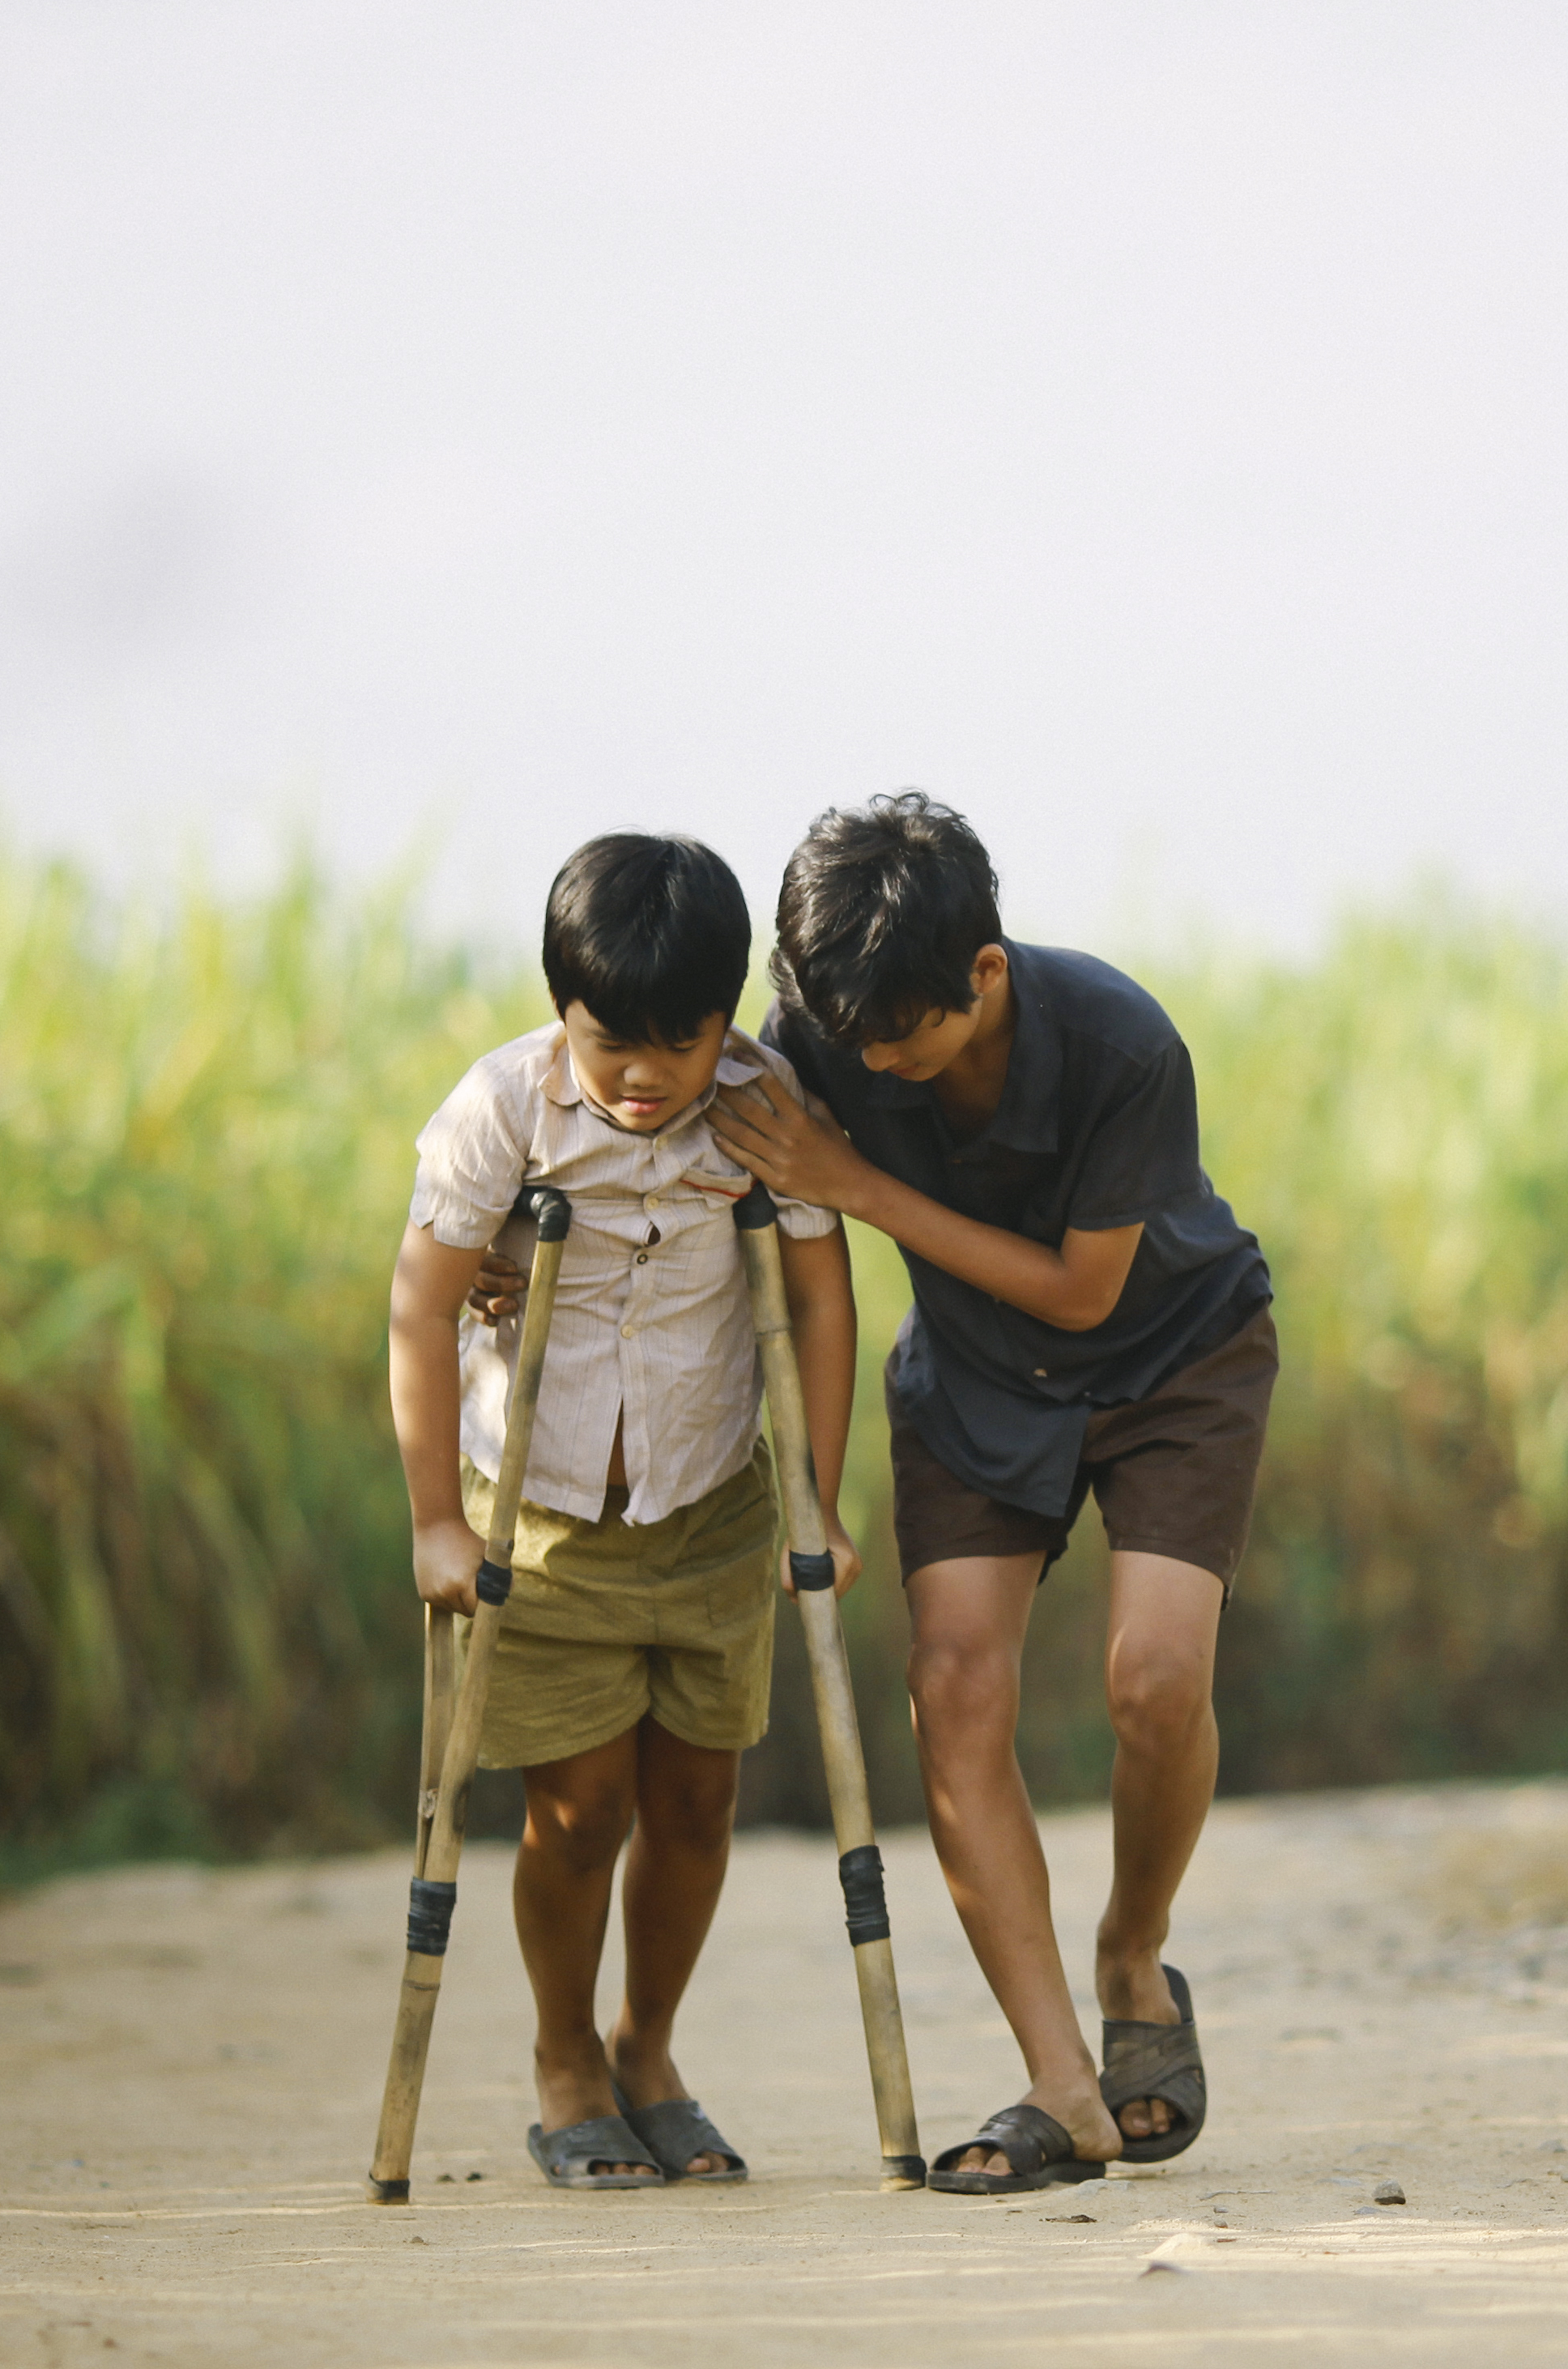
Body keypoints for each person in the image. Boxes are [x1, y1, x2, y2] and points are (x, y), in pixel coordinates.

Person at [715, 793, 1273, 2195]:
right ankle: (1063, 2085)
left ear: (986, 972)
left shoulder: (1121, 1040)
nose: (880, 1067)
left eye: (905, 1036)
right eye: (854, 1045)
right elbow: (765, 1216)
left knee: (1153, 1680)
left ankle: (1132, 1949)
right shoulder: (826, 1041)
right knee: (954, 1685)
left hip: (1171, 1357)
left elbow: (1087, 1293)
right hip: (971, 1377)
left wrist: (856, 1179)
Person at [386, 832, 859, 2189]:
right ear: (560, 1012)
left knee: (698, 1800)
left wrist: (813, 1500)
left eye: (682, 1041)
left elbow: (820, 1301)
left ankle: (648, 2046)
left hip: (710, 1500)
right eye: (610, 1045)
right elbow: (423, 1303)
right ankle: (563, 2057)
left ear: (728, 1020)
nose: (645, 1078)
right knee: (580, 1807)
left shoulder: (763, 1108)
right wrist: (434, 1519)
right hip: (540, 1513)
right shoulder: (504, 1111)